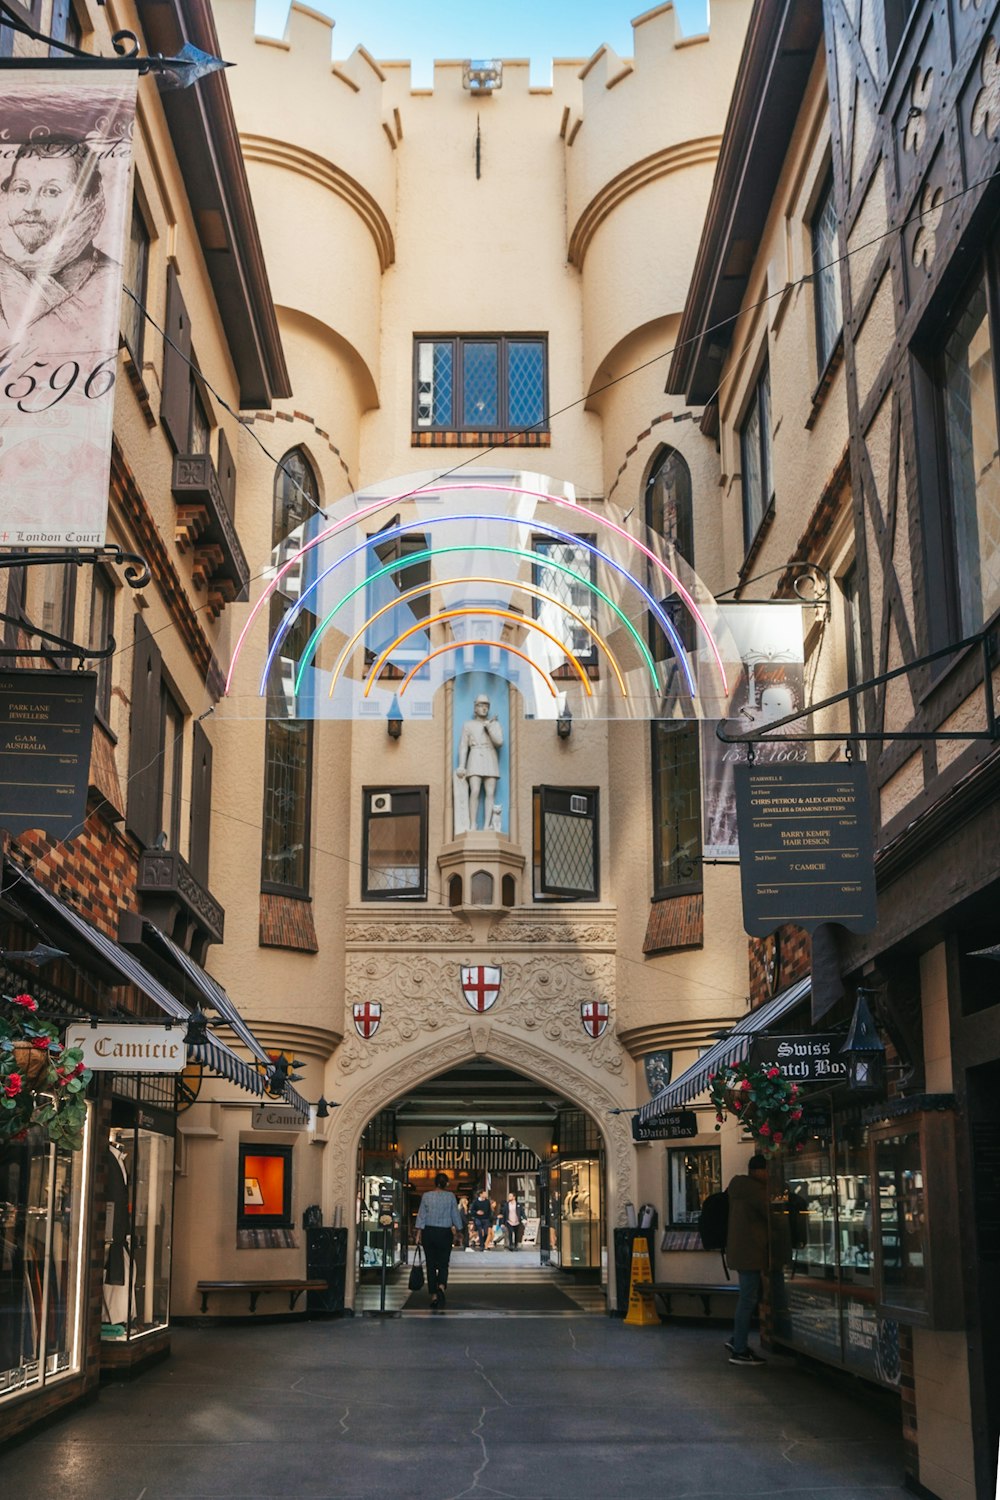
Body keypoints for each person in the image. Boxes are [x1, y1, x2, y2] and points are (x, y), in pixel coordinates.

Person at [0, 139, 121, 354]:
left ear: (87, 200)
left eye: (51, 191)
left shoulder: (110, 280)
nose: (30, 207)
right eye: (21, 189)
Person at [726, 1153, 770, 1366]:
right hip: (751, 1253)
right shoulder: (757, 1192)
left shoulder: (737, 1189)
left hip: (740, 1252)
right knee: (748, 1300)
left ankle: (737, 1340)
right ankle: (740, 1349)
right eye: (767, 1170)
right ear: (759, 1171)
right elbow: (773, 1217)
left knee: (747, 1298)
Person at [414, 1172, 464, 1310]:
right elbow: (455, 1214)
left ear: (435, 1183)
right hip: (444, 1233)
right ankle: (441, 1286)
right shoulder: (450, 1197)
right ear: (446, 1183)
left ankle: (434, 1296)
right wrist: (459, 1231)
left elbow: (421, 1216)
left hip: (429, 1232)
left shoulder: (426, 1196)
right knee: (443, 1263)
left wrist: (418, 1233)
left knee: (430, 1264)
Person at [455, 694, 503, 832]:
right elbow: (463, 746)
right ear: (475, 708)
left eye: (486, 706)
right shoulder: (468, 725)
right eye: (481, 705)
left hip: (490, 756)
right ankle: (473, 824)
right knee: (475, 790)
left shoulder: (494, 724)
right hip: (475, 755)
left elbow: (499, 742)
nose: (484, 708)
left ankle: (487, 825)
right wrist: (462, 765)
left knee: (490, 792)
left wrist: (489, 728)